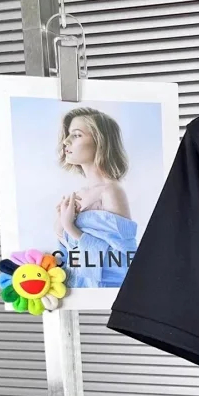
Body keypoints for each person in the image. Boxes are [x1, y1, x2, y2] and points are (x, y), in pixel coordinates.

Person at [54, 106, 138, 287]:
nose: (66, 141)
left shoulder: (111, 192)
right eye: (68, 135)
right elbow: (69, 259)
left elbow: (125, 262)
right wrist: (61, 228)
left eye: (76, 135)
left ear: (100, 142)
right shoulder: (78, 195)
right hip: (76, 291)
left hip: (103, 293)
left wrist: (70, 228)